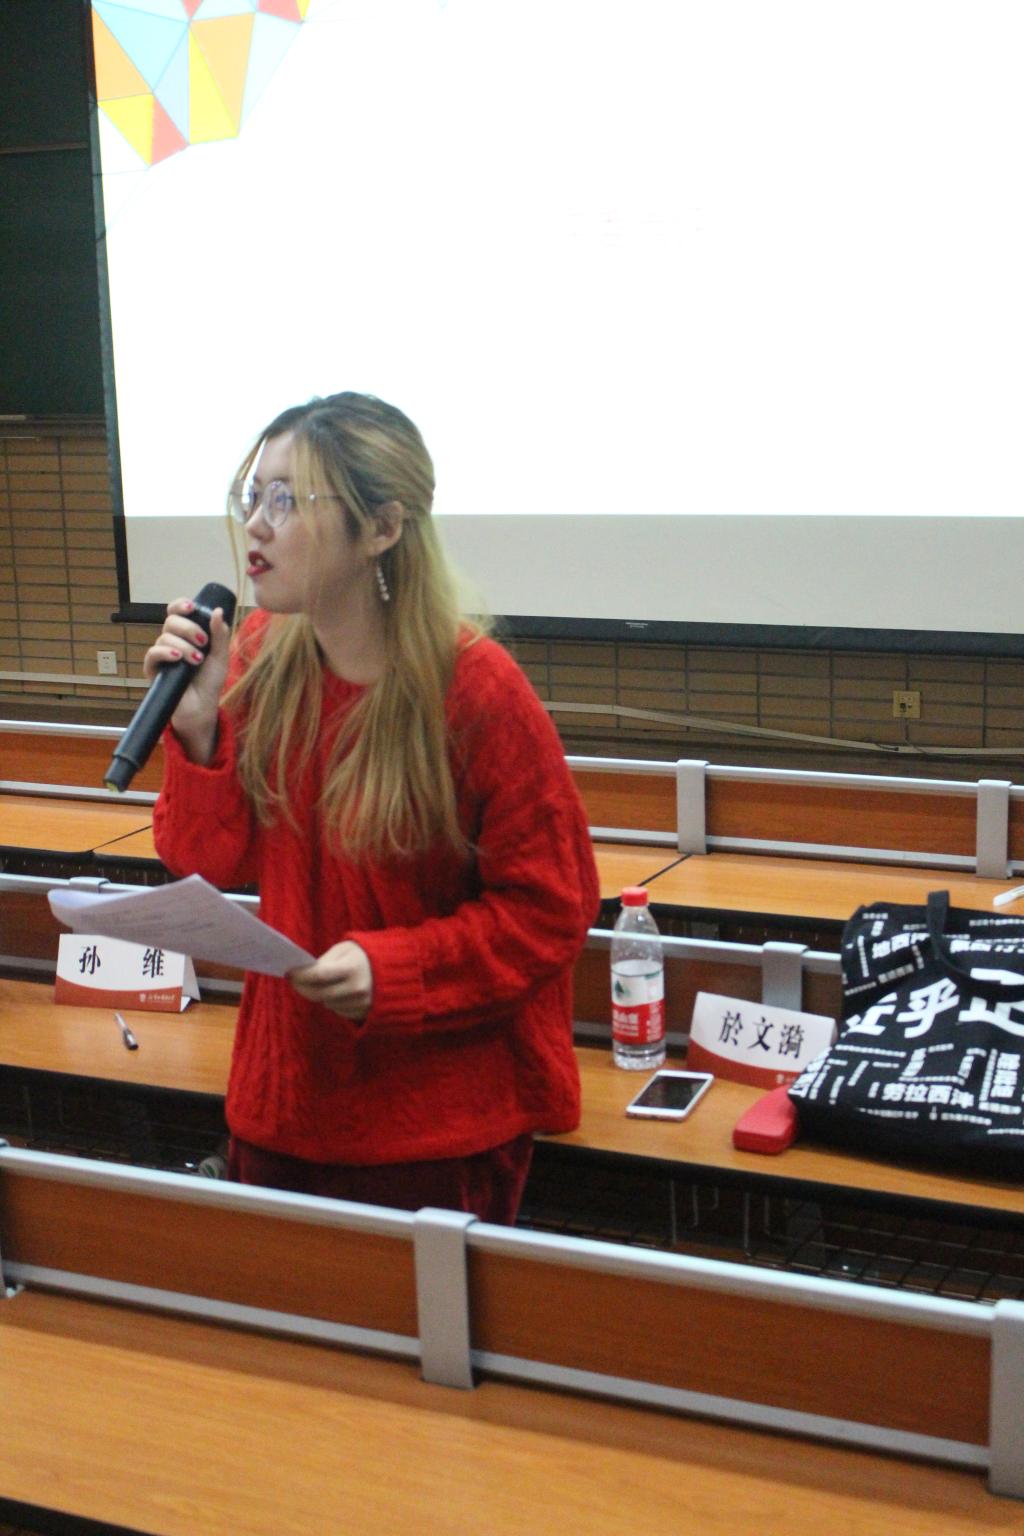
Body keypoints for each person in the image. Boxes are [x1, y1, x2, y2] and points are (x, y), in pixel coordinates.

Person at [147, 391, 599, 1223]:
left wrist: (397, 973)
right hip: (284, 1107)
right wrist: (198, 728)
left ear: (382, 527)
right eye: (253, 495)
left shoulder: (477, 690)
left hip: (434, 1134)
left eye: (288, 500)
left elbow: (550, 913)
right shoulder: (257, 659)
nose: (256, 525)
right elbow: (207, 861)